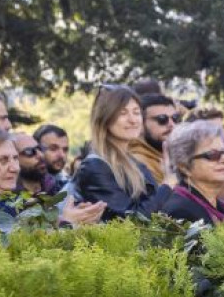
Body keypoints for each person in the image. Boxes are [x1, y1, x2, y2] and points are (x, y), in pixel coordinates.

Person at [71, 85, 168, 218]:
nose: (133, 120)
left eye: (136, 112)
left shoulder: (134, 163)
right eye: (122, 113)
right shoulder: (95, 166)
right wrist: (168, 183)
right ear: (105, 118)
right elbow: (132, 221)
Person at [130, 93, 178, 182]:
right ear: (140, 124)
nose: (172, 125)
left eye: (175, 118)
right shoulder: (137, 163)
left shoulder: (177, 155)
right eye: (162, 119)